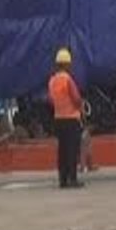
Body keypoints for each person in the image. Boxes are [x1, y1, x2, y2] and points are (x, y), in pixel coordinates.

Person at [48, 47, 85, 189]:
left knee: (62, 151)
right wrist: (80, 107)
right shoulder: (67, 79)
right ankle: (73, 179)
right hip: (71, 119)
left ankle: (62, 180)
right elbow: (76, 98)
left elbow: (51, 100)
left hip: (58, 119)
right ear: (67, 64)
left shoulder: (52, 81)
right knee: (72, 150)